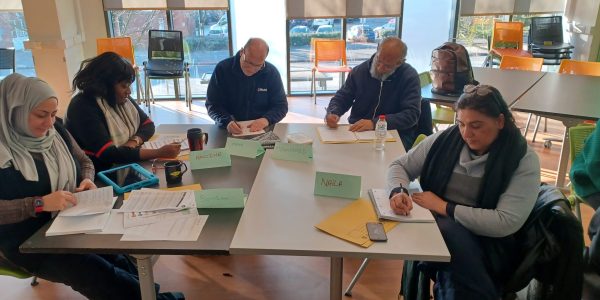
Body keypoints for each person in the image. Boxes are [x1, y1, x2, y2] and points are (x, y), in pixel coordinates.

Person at [0, 73, 183, 300]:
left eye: (54, 114)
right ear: (14, 111)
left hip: (67, 219)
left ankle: (147, 294)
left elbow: (85, 161)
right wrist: (39, 203)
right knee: (92, 272)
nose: (49, 123)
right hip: (25, 240)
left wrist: (85, 179)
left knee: (113, 253)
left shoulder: (55, 130)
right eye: (40, 115)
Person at [387, 85, 540, 299]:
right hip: (444, 235)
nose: (466, 133)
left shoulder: (522, 159)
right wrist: (398, 190)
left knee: (451, 236)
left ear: (500, 122)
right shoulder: (445, 140)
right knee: (450, 237)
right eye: (461, 124)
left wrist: (443, 207)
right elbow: (399, 166)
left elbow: (505, 222)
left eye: (476, 125)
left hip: (491, 244)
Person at [65, 52, 181, 172]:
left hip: (124, 166)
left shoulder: (116, 97)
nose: (129, 92)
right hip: (100, 173)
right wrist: (158, 152)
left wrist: (132, 142)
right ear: (105, 85)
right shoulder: (82, 106)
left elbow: (148, 125)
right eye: (124, 86)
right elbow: (107, 154)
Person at [324, 37, 421, 149]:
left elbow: (411, 114)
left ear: (399, 62)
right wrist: (333, 112)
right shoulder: (359, 71)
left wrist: (375, 123)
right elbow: (343, 97)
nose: (380, 68)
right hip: (358, 131)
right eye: (379, 60)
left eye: (387, 66)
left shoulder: (409, 77)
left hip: (395, 133)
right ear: (377, 50)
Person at [205, 38, 288, 134]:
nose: (252, 69)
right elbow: (212, 105)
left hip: (262, 130)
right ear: (242, 52)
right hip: (227, 129)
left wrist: (266, 120)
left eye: (258, 65)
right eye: (249, 63)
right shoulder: (222, 69)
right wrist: (226, 121)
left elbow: (281, 106)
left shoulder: (271, 73)